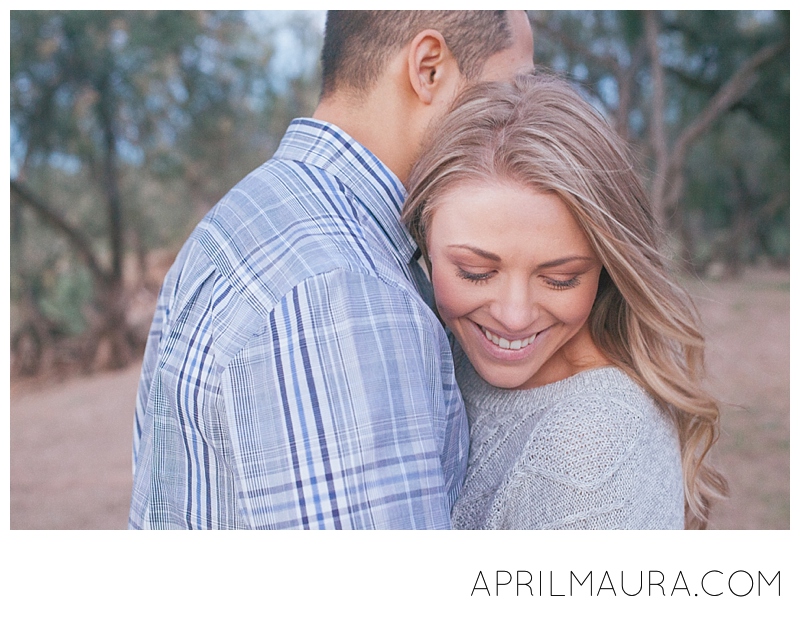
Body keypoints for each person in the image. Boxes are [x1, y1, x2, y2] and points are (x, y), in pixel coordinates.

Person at [129, 11, 534, 529]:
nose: (522, 116)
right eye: (512, 87)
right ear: (429, 68)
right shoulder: (343, 287)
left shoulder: (245, 219)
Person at [402, 73, 727, 529]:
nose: (514, 316)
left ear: (607, 268)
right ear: (424, 241)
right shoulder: (432, 351)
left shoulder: (589, 458)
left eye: (561, 279)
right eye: (476, 272)